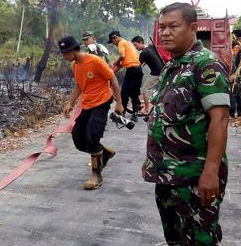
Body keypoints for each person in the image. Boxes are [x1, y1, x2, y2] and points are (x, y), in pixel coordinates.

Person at [142, 3, 230, 246]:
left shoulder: (206, 65)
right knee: (180, 242)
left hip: (194, 176)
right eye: (162, 27)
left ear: (193, 28)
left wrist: (210, 171)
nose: (165, 33)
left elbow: (220, 119)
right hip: (168, 174)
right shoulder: (173, 65)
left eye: (173, 26)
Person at [60, 36, 124, 190]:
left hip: (102, 102)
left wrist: (119, 103)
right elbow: (79, 85)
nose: (64, 57)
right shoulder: (75, 65)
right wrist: (70, 102)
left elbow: (113, 79)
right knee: (78, 138)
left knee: (92, 137)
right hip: (87, 104)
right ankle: (105, 153)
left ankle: (96, 175)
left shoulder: (95, 61)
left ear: (73, 50)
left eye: (65, 53)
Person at [108, 30, 142, 121]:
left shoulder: (121, 43)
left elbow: (122, 56)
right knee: (134, 92)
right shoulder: (128, 43)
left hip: (132, 70)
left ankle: (121, 114)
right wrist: (113, 70)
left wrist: (116, 62)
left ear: (115, 37)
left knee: (124, 93)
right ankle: (135, 115)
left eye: (112, 41)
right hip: (138, 70)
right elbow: (125, 61)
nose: (113, 43)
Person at [131, 36, 164, 116]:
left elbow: (138, 65)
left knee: (145, 90)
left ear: (141, 43)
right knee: (158, 91)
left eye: (136, 45)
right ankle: (154, 106)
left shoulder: (143, 53)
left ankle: (146, 110)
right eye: (134, 46)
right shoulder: (150, 47)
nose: (135, 47)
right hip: (162, 70)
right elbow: (149, 59)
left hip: (156, 73)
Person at [229, 29, 241, 118]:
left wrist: (235, 74)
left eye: (234, 37)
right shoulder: (238, 46)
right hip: (238, 73)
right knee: (238, 92)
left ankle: (231, 113)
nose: (232, 39)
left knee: (232, 93)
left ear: (239, 37)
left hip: (238, 74)